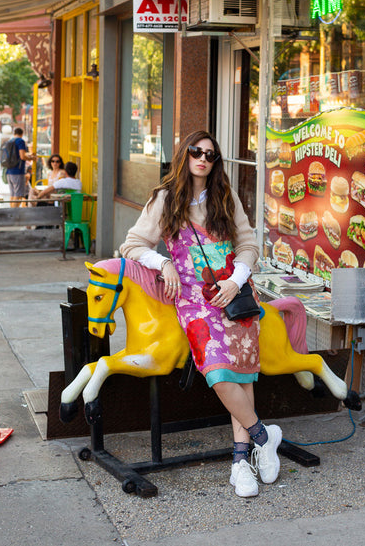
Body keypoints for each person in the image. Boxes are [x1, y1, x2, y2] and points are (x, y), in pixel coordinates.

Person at [120, 130, 281, 498]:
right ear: (185, 154)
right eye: (196, 151)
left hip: (236, 295)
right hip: (195, 302)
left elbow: (248, 245)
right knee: (219, 374)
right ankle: (263, 436)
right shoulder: (165, 198)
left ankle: (241, 465)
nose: (203, 159)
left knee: (242, 377)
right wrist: (163, 263)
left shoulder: (226, 196)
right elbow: (132, 244)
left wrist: (236, 279)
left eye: (210, 154)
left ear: (215, 161)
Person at [6, 127, 35, 205]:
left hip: (9, 171)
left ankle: (11, 212)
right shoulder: (20, 141)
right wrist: (31, 158)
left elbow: (17, 155)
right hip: (18, 171)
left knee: (12, 194)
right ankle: (14, 214)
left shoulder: (10, 141)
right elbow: (22, 156)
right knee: (18, 195)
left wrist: (28, 155)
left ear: (14, 133)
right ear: (22, 134)